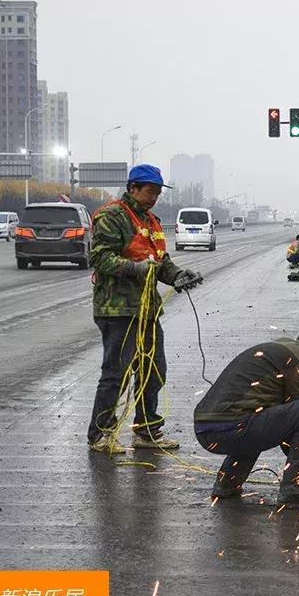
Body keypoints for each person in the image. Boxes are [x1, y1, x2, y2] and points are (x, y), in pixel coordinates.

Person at [87, 164, 204, 453]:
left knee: (154, 371)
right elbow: (100, 258)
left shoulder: (150, 221)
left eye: (157, 193)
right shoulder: (111, 216)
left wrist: (178, 276)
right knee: (117, 374)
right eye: (150, 192)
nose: (154, 198)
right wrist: (135, 268)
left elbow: (160, 262)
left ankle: (147, 432)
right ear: (133, 188)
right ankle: (100, 434)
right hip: (118, 310)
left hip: (147, 310)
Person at [193, 327, 299, 506]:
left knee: (258, 414)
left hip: (206, 428)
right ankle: (297, 492)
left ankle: (227, 484)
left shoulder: (285, 347)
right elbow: (297, 433)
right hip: (231, 427)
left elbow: (281, 424)